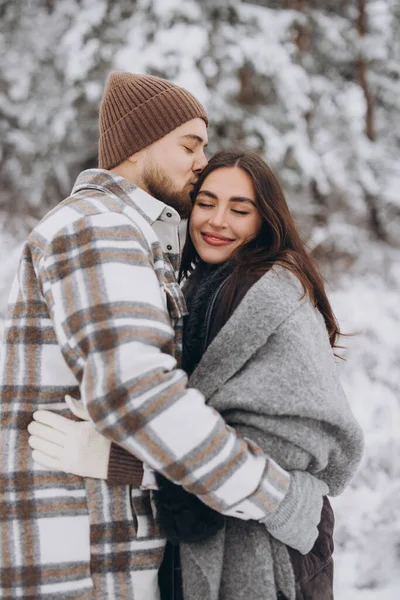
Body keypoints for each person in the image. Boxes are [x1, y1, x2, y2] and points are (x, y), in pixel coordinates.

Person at [0, 73, 329, 600]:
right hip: (84, 565)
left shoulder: (128, 235)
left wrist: (125, 461)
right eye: (189, 144)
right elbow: (136, 392)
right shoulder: (99, 228)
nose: (202, 161)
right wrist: (278, 498)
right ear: (139, 145)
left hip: (104, 554)